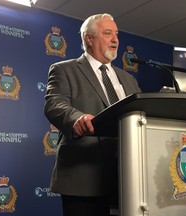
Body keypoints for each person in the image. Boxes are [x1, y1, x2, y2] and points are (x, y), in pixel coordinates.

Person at [44, 13, 141, 216]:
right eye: (108, 33)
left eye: (116, 34)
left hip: (127, 178)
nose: (115, 40)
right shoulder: (64, 69)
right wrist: (76, 118)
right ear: (89, 38)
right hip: (83, 179)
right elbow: (54, 103)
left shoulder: (129, 79)